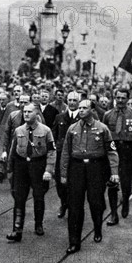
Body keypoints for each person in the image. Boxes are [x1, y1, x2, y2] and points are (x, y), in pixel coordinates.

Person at [61, 100, 119, 254]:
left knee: (96, 201)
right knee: (74, 205)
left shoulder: (102, 128)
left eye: (84, 108)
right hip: (77, 167)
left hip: (96, 168)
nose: (80, 110)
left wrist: (114, 172)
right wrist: (63, 173)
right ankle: (74, 241)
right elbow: (66, 152)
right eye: (79, 108)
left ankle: (98, 227)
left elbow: (112, 151)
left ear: (92, 110)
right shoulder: (72, 129)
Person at [6, 103, 55, 241]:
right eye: (24, 111)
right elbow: (12, 151)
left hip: (38, 165)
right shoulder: (19, 130)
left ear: (36, 114)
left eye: (29, 111)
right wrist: (10, 169)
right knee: (19, 197)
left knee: (39, 196)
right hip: (21, 165)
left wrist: (49, 170)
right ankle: (17, 229)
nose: (26, 114)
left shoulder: (46, 131)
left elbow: (51, 151)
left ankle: (38, 224)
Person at [102, 87, 132, 220]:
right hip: (113, 150)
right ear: (114, 98)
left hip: (128, 151)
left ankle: (125, 202)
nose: (120, 100)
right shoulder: (108, 115)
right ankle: (114, 213)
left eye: (123, 98)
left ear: (128, 99)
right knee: (112, 182)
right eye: (118, 98)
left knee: (126, 182)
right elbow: (103, 135)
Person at [51, 91, 81, 219]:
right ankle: (64, 203)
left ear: (78, 102)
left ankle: (73, 207)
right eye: (70, 100)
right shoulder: (60, 117)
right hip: (61, 154)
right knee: (59, 182)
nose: (72, 102)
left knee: (75, 183)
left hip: (77, 156)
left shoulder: (82, 117)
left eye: (75, 100)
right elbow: (54, 135)